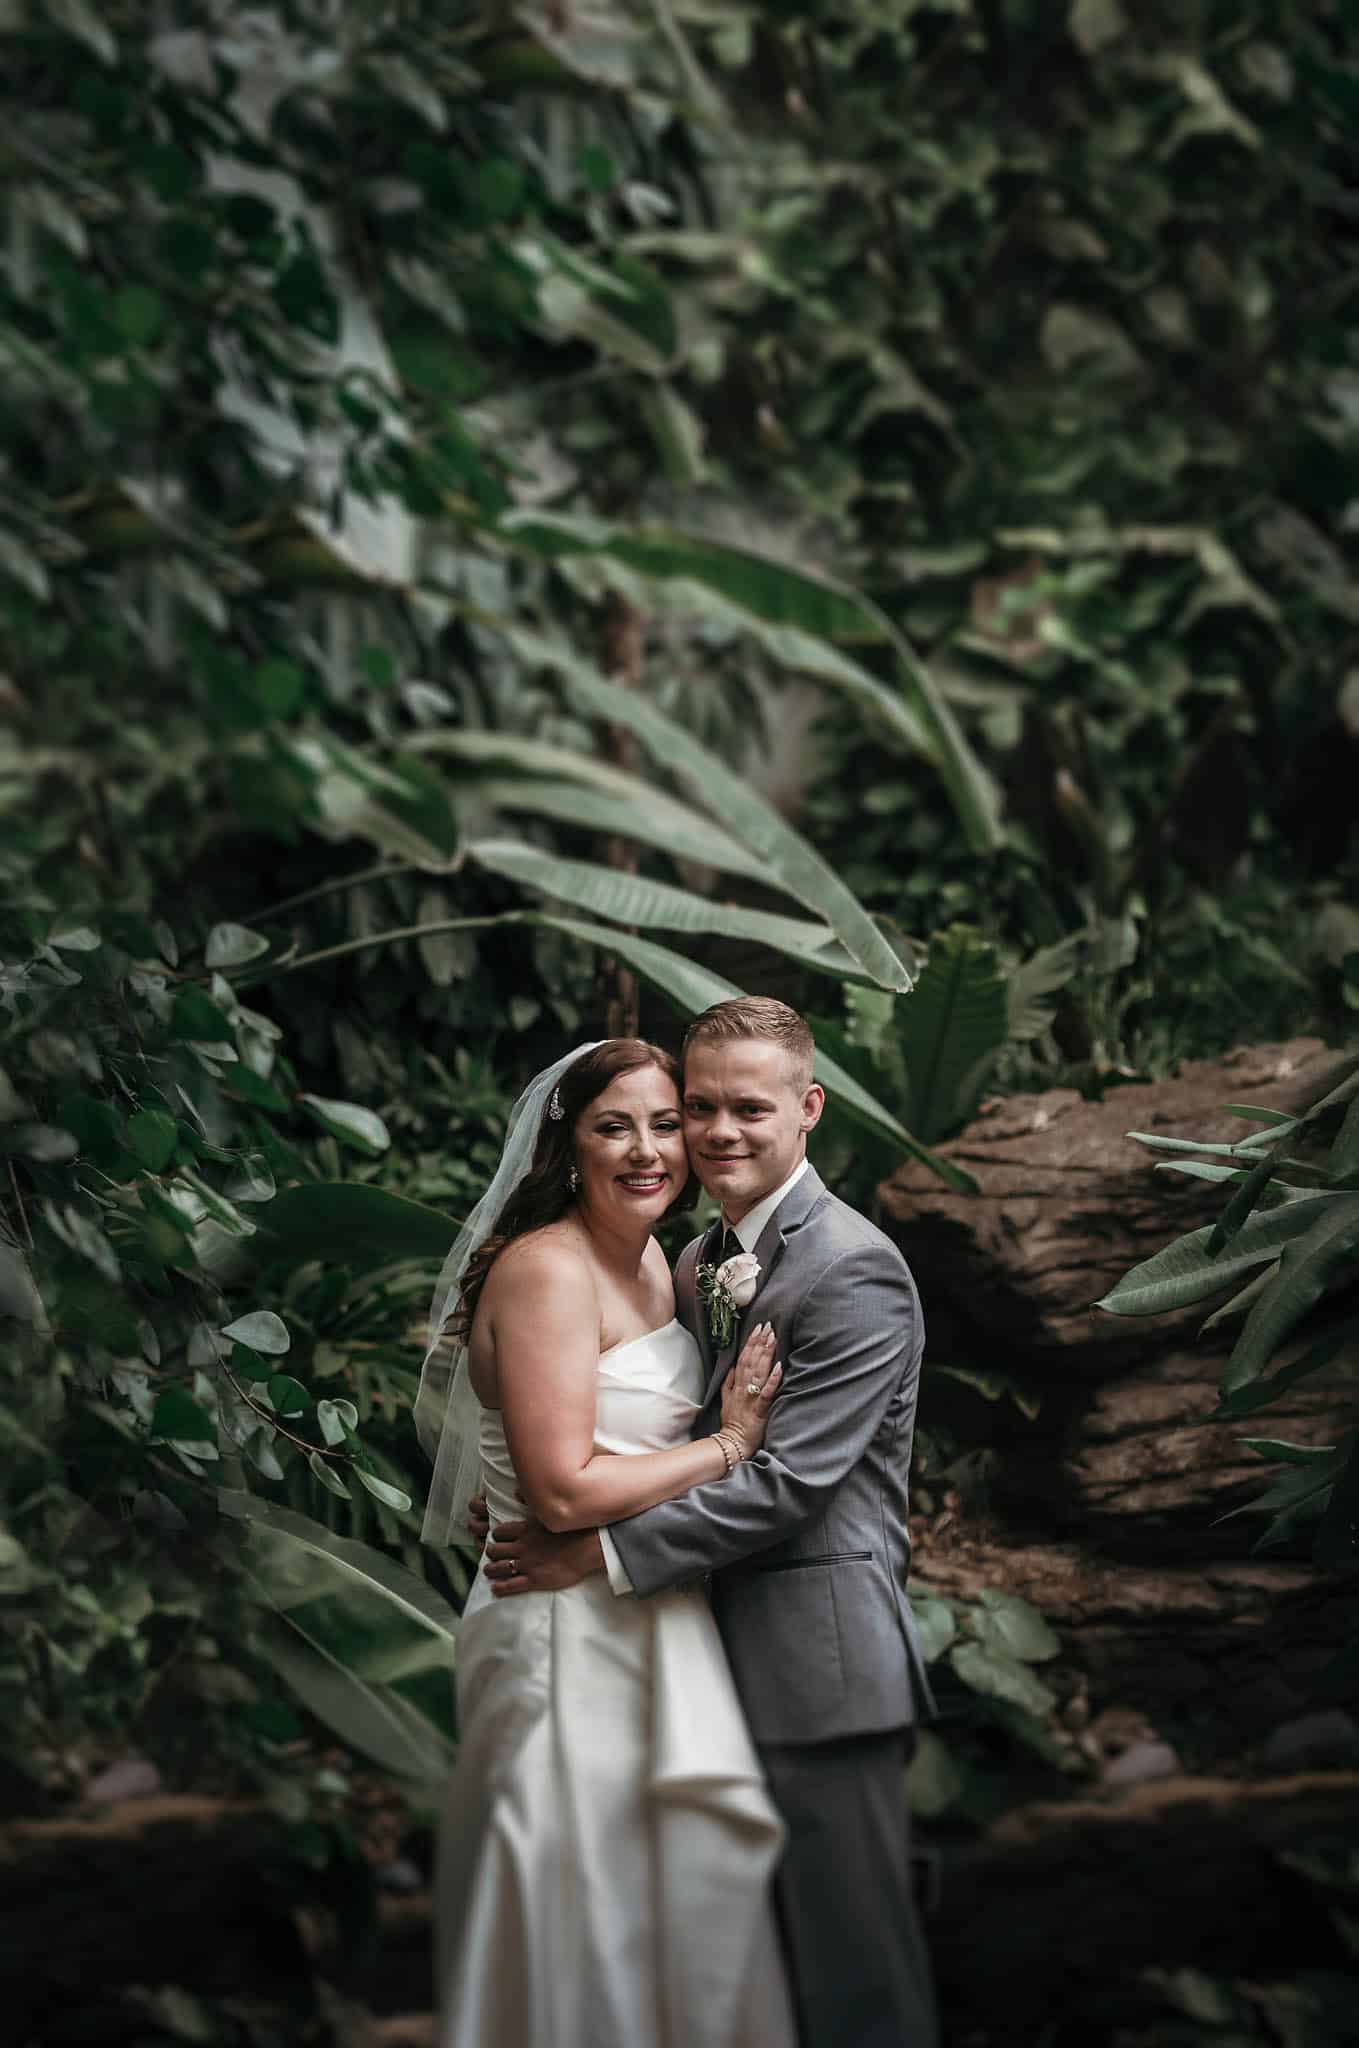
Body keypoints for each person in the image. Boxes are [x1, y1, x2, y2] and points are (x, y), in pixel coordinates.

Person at [482, 997, 940, 2048]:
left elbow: (789, 1483)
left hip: (817, 1672)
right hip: (694, 1666)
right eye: (700, 1106)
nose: (719, 1130)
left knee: (857, 1976)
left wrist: (592, 1549)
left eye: (749, 1106)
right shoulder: (695, 1265)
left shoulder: (852, 1266)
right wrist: (534, 1485)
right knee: (754, 1984)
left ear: (809, 1106)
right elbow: (657, 1432)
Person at [416, 1036, 798, 2048]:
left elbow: (602, 1438)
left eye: (665, 1123)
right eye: (614, 1125)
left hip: (647, 1616)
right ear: (566, 1141)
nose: (648, 1149)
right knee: (575, 1896)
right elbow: (559, 1483)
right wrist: (728, 1443)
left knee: (665, 1899)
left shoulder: (661, 1271)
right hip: (557, 1628)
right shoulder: (547, 1270)